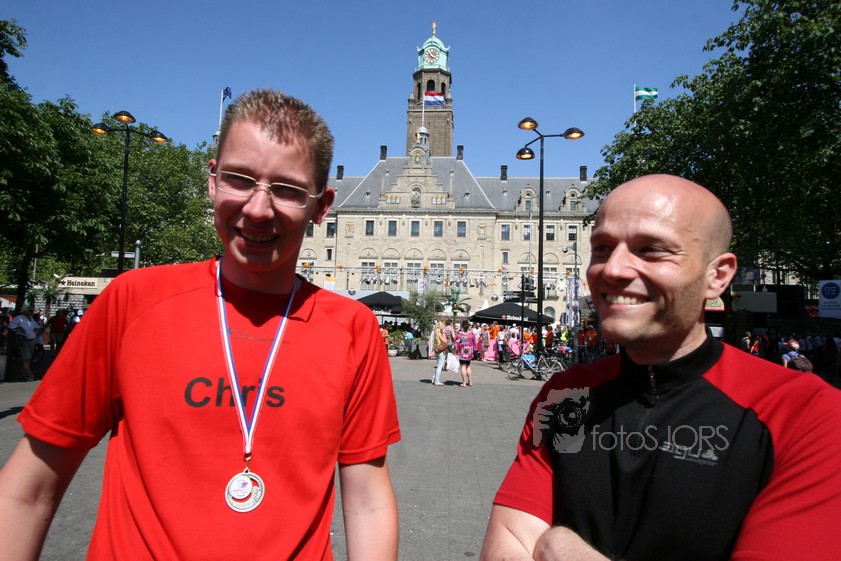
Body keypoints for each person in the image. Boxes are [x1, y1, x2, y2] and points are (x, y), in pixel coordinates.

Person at [0, 89, 401, 560]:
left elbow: (368, 502)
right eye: (239, 179)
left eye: (288, 189)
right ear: (213, 181)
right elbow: (27, 492)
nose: (258, 208)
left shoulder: (352, 329)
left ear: (321, 206)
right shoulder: (132, 303)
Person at [480, 174, 841, 561]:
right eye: (602, 248)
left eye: (651, 250)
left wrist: (560, 546)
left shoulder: (806, 412)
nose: (613, 269)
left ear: (717, 276)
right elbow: (507, 544)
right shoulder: (566, 393)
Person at [8, 306, 38, 382]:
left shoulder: (31, 319)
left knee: (27, 358)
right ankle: (30, 374)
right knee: (26, 358)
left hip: (32, 339)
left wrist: (36, 329)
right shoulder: (19, 318)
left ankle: (23, 374)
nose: (32, 312)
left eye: (32, 311)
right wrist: (18, 328)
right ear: (25, 311)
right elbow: (11, 325)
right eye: (30, 311)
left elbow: (36, 326)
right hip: (24, 340)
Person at [454, 320, 478, 387]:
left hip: (462, 352)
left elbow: (455, 342)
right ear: (468, 326)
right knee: (468, 366)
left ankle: (464, 383)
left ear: (462, 326)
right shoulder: (472, 335)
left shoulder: (459, 335)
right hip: (469, 352)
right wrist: (475, 351)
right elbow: (475, 344)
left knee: (463, 366)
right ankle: (470, 381)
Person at [432, 319, 450, 386]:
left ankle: (434, 378)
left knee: (438, 365)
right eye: (443, 326)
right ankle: (437, 381)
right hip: (441, 351)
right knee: (440, 366)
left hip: (438, 351)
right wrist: (444, 333)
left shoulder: (435, 333)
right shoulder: (439, 333)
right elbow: (445, 341)